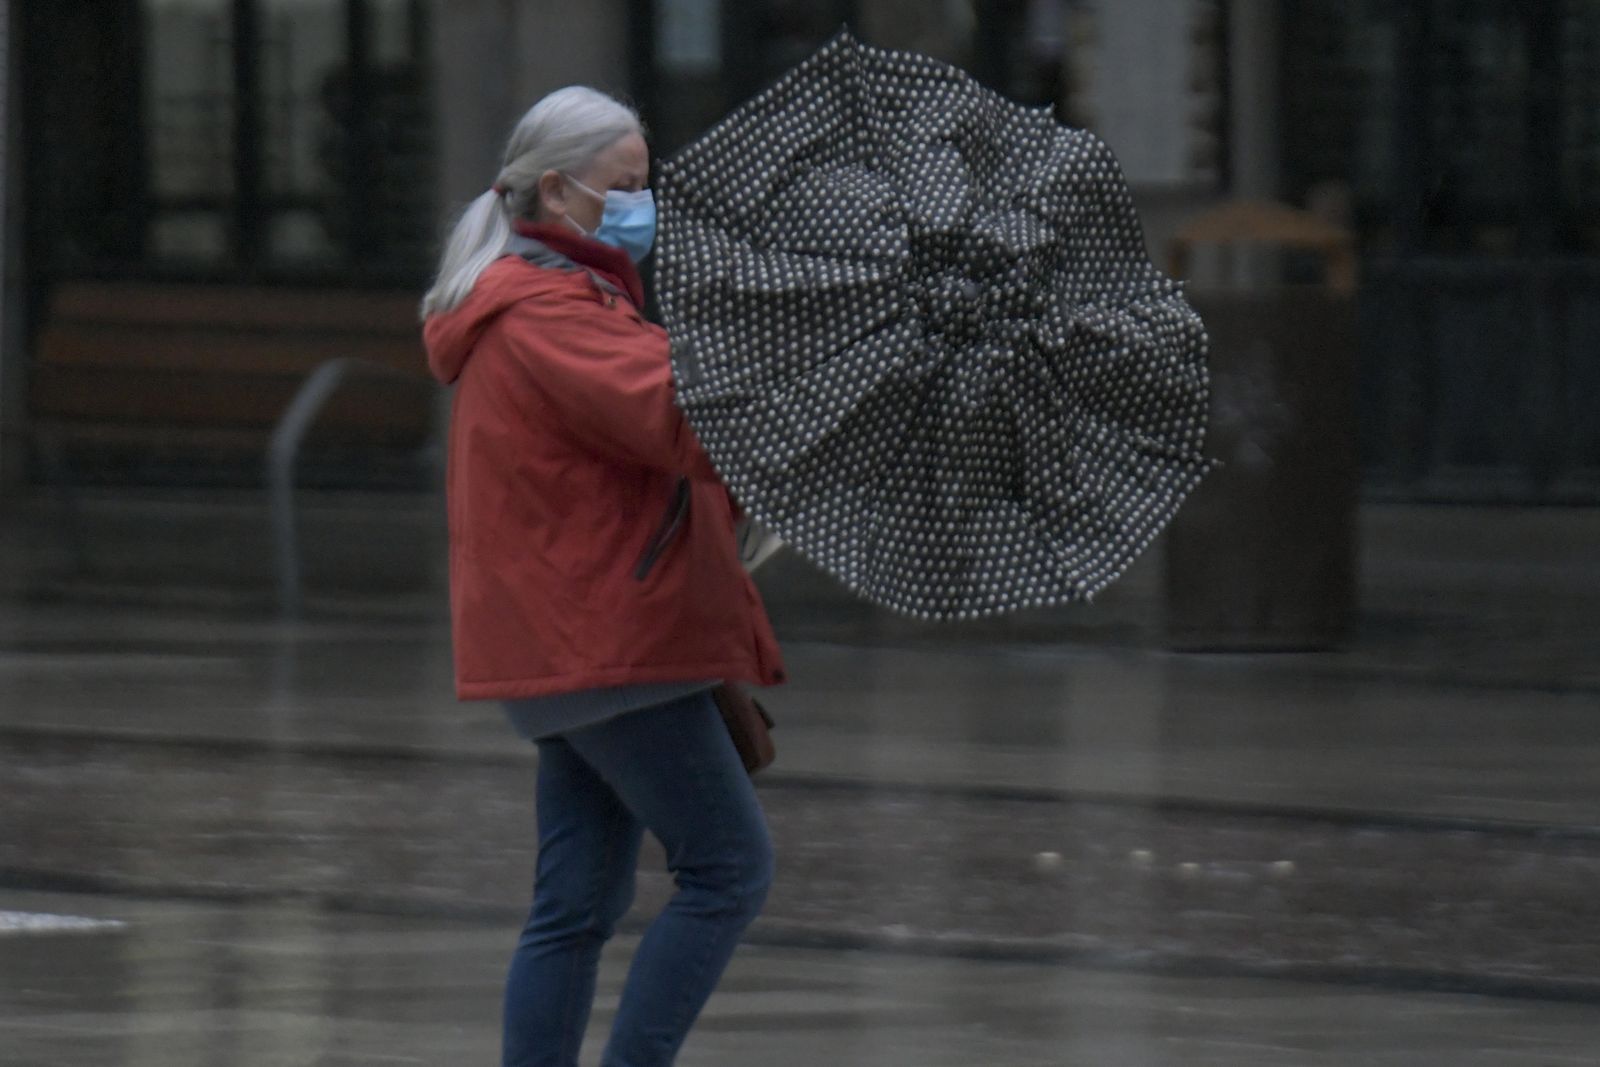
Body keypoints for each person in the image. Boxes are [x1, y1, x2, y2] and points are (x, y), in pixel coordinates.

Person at [420, 86, 787, 1067]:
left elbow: (630, 451)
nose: (640, 203)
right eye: (624, 186)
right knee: (729, 867)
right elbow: (676, 413)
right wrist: (800, 372)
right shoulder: (547, 310)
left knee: (575, 903)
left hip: (572, 642)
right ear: (556, 187)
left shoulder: (565, 297)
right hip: (608, 639)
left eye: (644, 183)